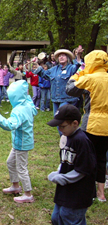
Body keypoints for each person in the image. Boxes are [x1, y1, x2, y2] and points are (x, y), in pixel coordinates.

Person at [66, 50, 108, 201]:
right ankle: (101, 193)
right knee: (102, 158)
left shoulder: (89, 78)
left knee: (88, 158)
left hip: (92, 124)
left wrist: (78, 74)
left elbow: (70, 89)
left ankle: (89, 192)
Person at [0, 80, 37, 203]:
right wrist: (27, 95)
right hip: (19, 143)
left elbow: (10, 125)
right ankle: (15, 186)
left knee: (21, 168)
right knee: (10, 162)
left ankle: (28, 194)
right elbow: (33, 108)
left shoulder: (19, 111)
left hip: (22, 144)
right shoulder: (27, 104)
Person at [46, 104, 96, 225]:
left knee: (69, 217)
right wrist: (58, 172)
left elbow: (84, 169)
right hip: (66, 190)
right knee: (56, 218)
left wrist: (64, 178)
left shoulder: (82, 141)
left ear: (75, 123)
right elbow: (65, 160)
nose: (60, 129)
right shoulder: (67, 137)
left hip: (79, 192)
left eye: (62, 126)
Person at [35, 49, 82, 123]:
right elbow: (44, 74)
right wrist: (37, 64)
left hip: (67, 99)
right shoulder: (54, 69)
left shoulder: (71, 68)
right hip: (55, 99)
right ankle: (63, 135)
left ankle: (67, 134)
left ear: (67, 58)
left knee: (61, 118)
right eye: (59, 56)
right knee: (57, 120)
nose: (61, 57)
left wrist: (78, 55)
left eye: (63, 56)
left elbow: (78, 67)